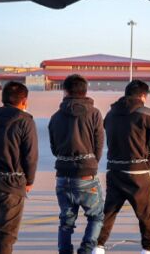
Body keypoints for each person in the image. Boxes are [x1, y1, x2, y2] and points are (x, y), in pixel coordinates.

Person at [95, 80, 150, 254]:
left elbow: (106, 130)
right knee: (145, 213)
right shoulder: (146, 112)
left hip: (114, 170)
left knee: (109, 211)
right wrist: (148, 163)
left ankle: (98, 245)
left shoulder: (111, 112)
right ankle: (148, 247)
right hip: (138, 171)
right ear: (143, 96)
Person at [0, 81, 38, 254]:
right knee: (7, 234)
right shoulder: (24, 121)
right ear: (24, 101)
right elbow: (30, 155)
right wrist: (29, 180)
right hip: (11, 182)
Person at [48, 74, 104, 254]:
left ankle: (64, 251)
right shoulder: (94, 113)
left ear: (65, 91)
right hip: (86, 174)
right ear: (85, 91)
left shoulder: (56, 117)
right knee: (96, 217)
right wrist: (91, 163)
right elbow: (99, 145)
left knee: (66, 221)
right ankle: (86, 250)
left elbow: (54, 148)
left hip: (63, 175)